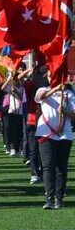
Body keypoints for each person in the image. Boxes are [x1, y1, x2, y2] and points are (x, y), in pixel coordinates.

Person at [34, 77, 74, 209]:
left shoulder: (69, 93)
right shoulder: (43, 89)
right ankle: (49, 198)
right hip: (46, 133)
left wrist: (66, 112)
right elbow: (40, 97)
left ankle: (59, 198)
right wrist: (56, 89)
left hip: (64, 135)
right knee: (48, 165)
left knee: (61, 167)